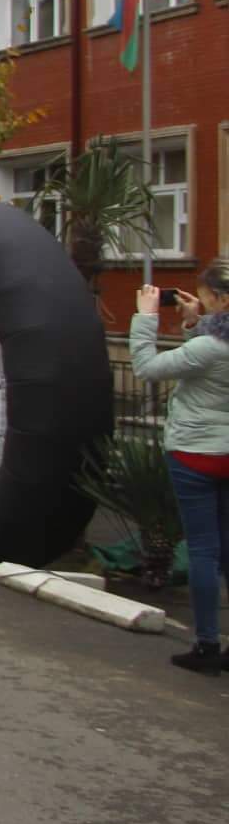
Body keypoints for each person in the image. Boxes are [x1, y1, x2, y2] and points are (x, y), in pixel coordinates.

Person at [133, 264, 229, 676]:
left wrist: (146, 317)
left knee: (204, 552)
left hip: (195, 454)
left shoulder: (211, 347)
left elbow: (146, 367)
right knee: (227, 551)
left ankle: (207, 644)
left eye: (205, 296)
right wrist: (196, 322)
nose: (199, 300)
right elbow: (208, 369)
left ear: (223, 301)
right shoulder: (213, 341)